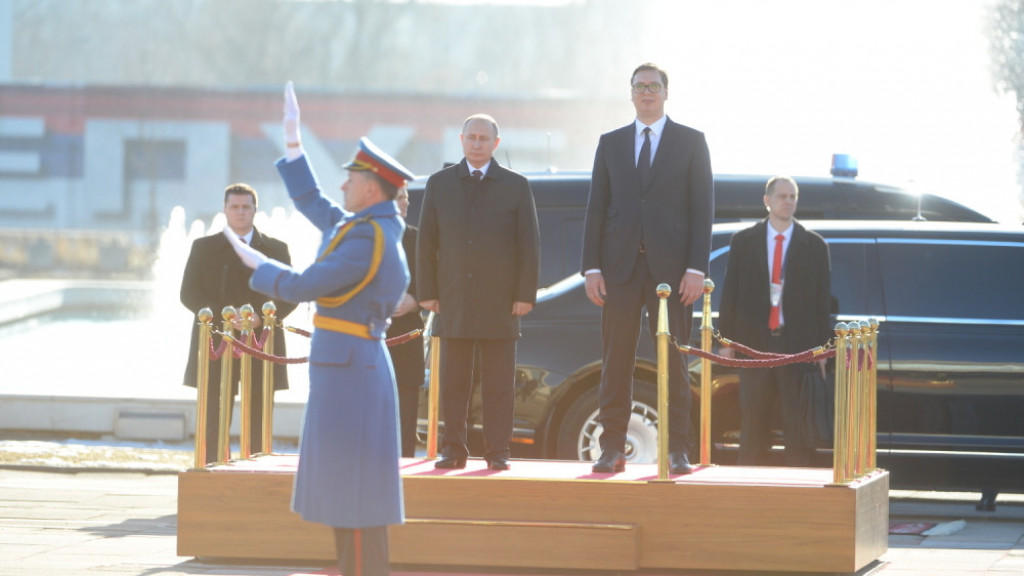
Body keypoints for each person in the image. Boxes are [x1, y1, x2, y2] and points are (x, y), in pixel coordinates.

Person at [225, 81, 413, 576]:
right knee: (346, 496)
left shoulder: (365, 237)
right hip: (348, 366)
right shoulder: (364, 226)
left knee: (352, 499)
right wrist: (293, 144)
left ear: (372, 187)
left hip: (351, 369)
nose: (343, 186)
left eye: (350, 179)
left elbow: (305, 285)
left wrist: (258, 263)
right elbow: (311, 199)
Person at [581, 62, 714, 475]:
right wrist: (591, 268)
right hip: (618, 269)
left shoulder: (691, 142)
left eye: (654, 86)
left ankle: (678, 449)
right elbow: (597, 207)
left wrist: (696, 267)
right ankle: (612, 449)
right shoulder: (611, 142)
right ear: (631, 93)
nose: (647, 92)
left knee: (674, 361)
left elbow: (702, 209)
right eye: (639, 86)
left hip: (673, 274)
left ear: (666, 92)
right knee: (615, 360)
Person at [417, 113, 540, 472]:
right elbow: (426, 243)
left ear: (496, 144)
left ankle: (497, 451)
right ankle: (452, 449)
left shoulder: (516, 185)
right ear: (461, 139)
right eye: (471, 137)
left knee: (498, 386)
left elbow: (528, 245)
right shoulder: (440, 184)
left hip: (501, 302)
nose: (476, 143)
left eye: (484, 138)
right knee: (453, 384)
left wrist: (524, 295)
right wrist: (428, 293)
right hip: (452, 300)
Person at [179, 182, 296, 465]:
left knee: (258, 413)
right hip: (217, 341)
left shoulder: (276, 249)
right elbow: (189, 294)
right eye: (235, 206)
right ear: (225, 209)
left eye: (246, 207)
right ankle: (212, 469)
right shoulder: (204, 247)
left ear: (255, 210)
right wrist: (225, 317)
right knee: (215, 413)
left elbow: (290, 292)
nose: (240, 212)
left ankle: (254, 471)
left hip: (261, 341)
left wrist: (260, 317)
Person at [718, 176, 831, 467]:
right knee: (754, 420)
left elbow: (822, 301)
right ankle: (749, 489)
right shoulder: (744, 242)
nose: (788, 202)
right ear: (766, 200)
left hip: (797, 346)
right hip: (754, 344)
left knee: (797, 422)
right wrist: (727, 341)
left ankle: (797, 491)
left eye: (793, 196)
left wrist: (821, 348)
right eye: (782, 196)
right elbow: (730, 292)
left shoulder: (814, 245)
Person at [389, 186, 425, 458]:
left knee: (406, 401)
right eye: (398, 198)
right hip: (369, 334)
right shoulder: (364, 237)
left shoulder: (418, 239)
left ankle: (404, 460)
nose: (404, 203)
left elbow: (436, 278)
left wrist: (416, 300)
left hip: (407, 333)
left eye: (405, 199)